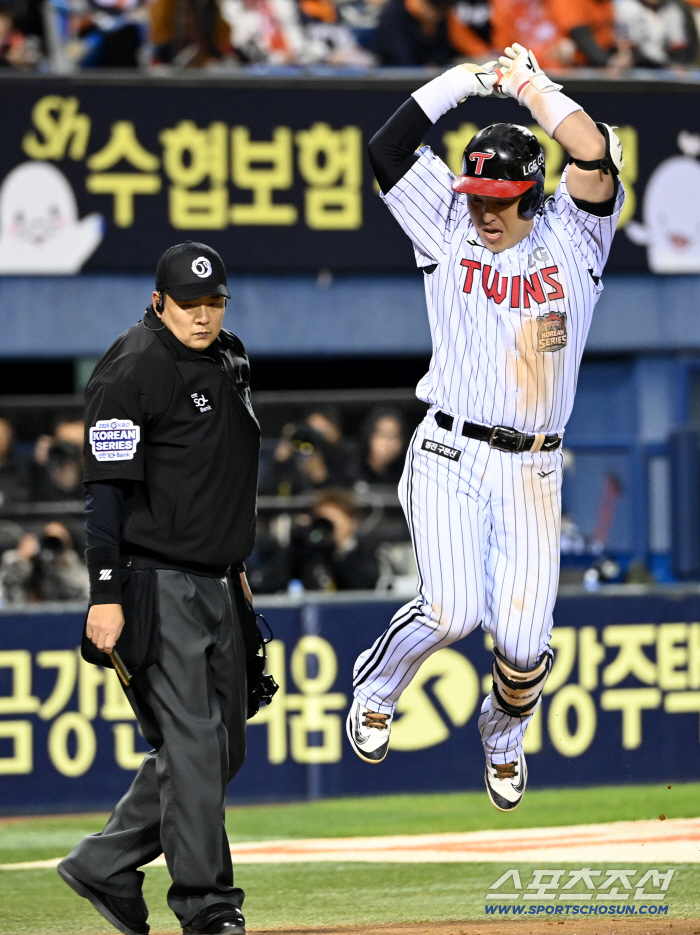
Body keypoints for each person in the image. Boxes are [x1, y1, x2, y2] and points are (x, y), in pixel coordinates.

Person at [346, 48, 624, 812]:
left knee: (526, 647)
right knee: (451, 610)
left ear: (533, 193)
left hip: (532, 467)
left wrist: (529, 84)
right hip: (450, 446)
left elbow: (592, 153)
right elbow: (387, 150)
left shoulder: (576, 236)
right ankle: (377, 688)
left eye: (500, 198)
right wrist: (467, 82)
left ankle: (503, 735)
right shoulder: (448, 222)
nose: (483, 210)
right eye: (477, 195)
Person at [57, 241, 260, 935]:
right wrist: (105, 592)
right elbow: (104, 492)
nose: (203, 316)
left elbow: (216, 478)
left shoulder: (227, 355)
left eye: (213, 302)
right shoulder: (132, 367)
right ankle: (207, 904)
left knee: (221, 747)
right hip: (156, 578)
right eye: (188, 304)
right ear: (158, 301)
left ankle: (104, 862)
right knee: (195, 744)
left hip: (219, 579)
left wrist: (238, 570)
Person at [356, 408, 405, 486]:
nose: (389, 443)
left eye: (395, 436)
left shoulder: (408, 474)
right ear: (369, 436)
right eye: (384, 435)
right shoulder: (351, 470)